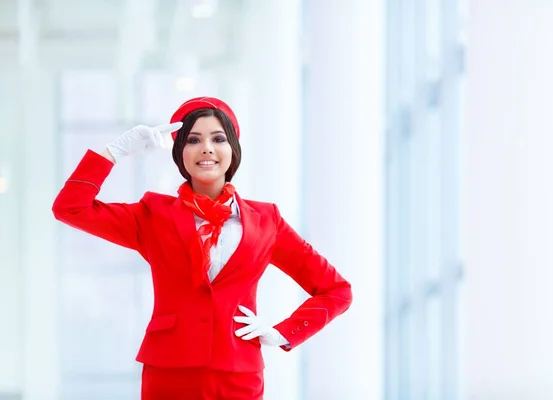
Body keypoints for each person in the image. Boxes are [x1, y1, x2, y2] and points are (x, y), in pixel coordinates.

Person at [52, 96, 353, 399]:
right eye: (194, 139)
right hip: (169, 372)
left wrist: (284, 332)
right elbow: (70, 208)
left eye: (218, 138)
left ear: (233, 150)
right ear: (180, 152)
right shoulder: (153, 214)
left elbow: (336, 289)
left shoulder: (266, 221)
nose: (206, 147)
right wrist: (113, 153)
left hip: (238, 375)